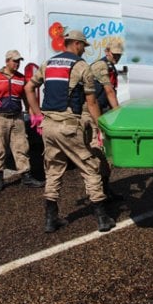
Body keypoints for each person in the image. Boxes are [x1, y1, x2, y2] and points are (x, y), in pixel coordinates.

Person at [25, 30, 116, 233]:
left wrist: (37, 114)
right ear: (75, 44)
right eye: (83, 45)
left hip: (48, 126)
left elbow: (29, 88)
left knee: (54, 170)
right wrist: (101, 126)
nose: (84, 49)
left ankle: (50, 220)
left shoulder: (48, 64)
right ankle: (102, 218)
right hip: (68, 125)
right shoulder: (82, 66)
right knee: (90, 166)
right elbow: (91, 103)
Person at [0, 49, 45, 192]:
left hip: (17, 118)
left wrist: (33, 115)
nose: (17, 64)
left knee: (21, 147)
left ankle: (26, 176)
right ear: (7, 61)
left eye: (19, 61)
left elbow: (26, 98)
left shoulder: (21, 78)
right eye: (15, 61)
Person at [81, 40, 124, 201]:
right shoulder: (100, 66)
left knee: (107, 152)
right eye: (115, 54)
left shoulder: (111, 66)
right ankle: (96, 193)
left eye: (119, 55)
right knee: (96, 151)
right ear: (107, 52)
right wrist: (119, 114)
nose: (117, 57)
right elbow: (108, 91)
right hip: (93, 113)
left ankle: (105, 188)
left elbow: (112, 92)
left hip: (103, 112)